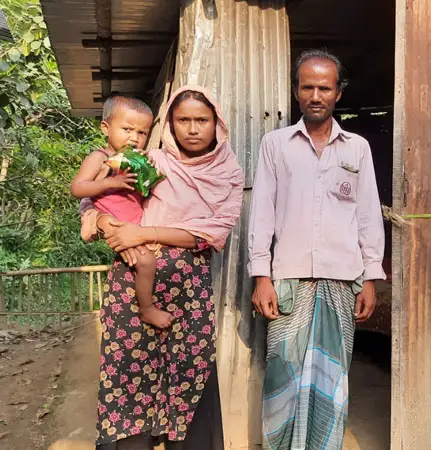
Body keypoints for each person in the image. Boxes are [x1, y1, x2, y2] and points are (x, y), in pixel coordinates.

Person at [82, 85, 244, 450]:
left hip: (189, 294)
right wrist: (104, 223)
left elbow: (212, 234)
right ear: (169, 123)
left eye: (201, 120)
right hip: (133, 287)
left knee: (191, 373)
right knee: (129, 379)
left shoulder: (229, 173)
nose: (192, 128)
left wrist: (144, 232)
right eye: (182, 119)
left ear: (216, 123)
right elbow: (96, 196)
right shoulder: (150, 162)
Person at [248, 49, 386, 449]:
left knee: (332, 377)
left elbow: (367, 216)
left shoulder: (357, 148)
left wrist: (370, 279)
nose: (315, 95)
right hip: (287, 280)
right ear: (296, 91)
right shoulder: (276, 144)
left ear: (338, 93)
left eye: (324, 87)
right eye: (307, 86)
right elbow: (262, 214)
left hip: (342, 283)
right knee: (282, 373)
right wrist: (262, 277)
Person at [71, 95, 174, 329]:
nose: (134, 138)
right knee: (146, 262)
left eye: (142, 133)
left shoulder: (136, 160)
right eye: (127, 129)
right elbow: (77, 188)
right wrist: (109, 183)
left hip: (137, 227)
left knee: (151, 261)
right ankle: (147, 310)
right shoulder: (101, 158)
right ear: (105, 127)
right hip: (117, 226)